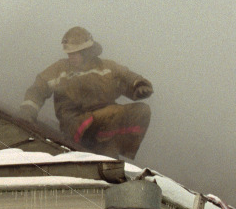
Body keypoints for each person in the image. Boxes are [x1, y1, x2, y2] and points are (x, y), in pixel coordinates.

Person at [19, 26, 153, 159]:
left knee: (142, 111)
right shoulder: (60, 69)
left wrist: (139, 86)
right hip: (74, 123)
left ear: (87, 52)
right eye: (69, 54)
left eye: (75, 53)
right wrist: (27, 112)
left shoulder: (107, 68)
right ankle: (90, 143)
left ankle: (113, 147)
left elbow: (127, 78)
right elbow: (38, 89)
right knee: (108, 112)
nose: (71, 57)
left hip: (103, 126)